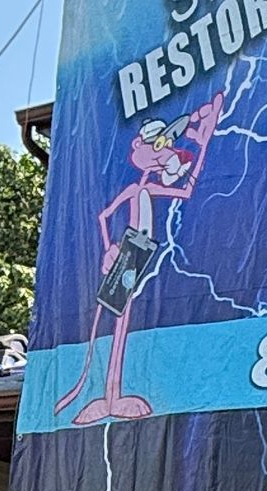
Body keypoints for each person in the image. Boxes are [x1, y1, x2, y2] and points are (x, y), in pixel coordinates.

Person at [54, 90, 223, 424]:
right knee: (118, 316)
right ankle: (108, 397)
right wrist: (109, 248)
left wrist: (203, 142)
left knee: (124, 317)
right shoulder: (135, 189)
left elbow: (186, 190)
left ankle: (114, 395)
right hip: (129, 250)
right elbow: (104, 218)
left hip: (143, 248)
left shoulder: (151, 187)